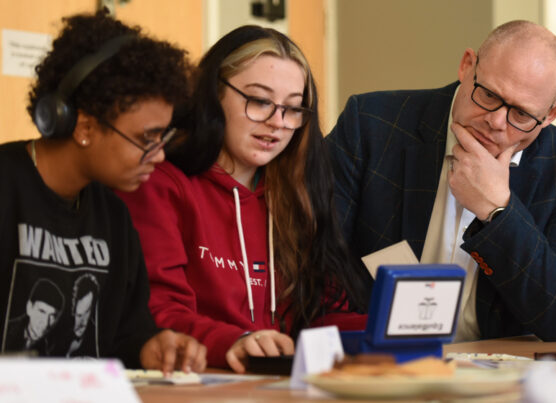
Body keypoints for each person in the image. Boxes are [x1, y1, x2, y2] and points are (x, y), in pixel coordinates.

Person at [118, 25, 372, 372]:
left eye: (293, 108)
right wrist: (235, 342)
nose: (277, 122)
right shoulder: (160, 182)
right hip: (199, 381)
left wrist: (386, 330)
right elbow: (159, 312)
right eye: (259, 101)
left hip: (275, 384)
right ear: (213, 95)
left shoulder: (293, 193)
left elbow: (319, 312)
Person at [326, 20, 556, 342]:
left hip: (500, 373)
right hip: (379, 361)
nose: (496, 122)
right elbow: (313, 259)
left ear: (550, 115)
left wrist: (498, 212)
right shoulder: (371, 125)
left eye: (522, 115)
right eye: (488, 94)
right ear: (467, 65)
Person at [0, 10, 206, 374]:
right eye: (146, 138)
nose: (158, 156)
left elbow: (125, 335)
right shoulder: (8, 184)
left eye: (163, 138)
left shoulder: (114, 216)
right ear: (84, 127)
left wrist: (150, 347)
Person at [5, 278, 65, 355]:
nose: (46, 322)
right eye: (42, 311)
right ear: (29, 308)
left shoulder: (50, 350)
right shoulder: (6, 330)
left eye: (52, 316)